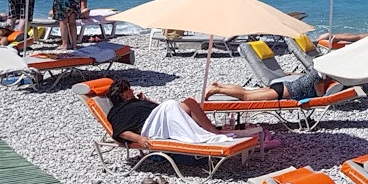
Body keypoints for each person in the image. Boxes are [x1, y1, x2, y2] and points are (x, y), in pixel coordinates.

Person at [102, 79, 267, 149]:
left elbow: (154, 111)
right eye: (128, 89)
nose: (131, 90)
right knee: (170, 104)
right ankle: (196, 138)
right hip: (150, 129)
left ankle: (214, 131)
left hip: (158, 121)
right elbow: (120, 130)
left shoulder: (136, 101)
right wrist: (139, 139)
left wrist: (147, 101)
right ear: (123, 95)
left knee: (189, 102)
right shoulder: (117, 111)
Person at [208, 68, 335, 103]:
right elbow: (320, 96)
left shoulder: (315, 70)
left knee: (247, 91)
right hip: (283, 91)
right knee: (246, 96)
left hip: (282, 85)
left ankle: (220, 85)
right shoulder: (320, 78)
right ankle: (216, 89)